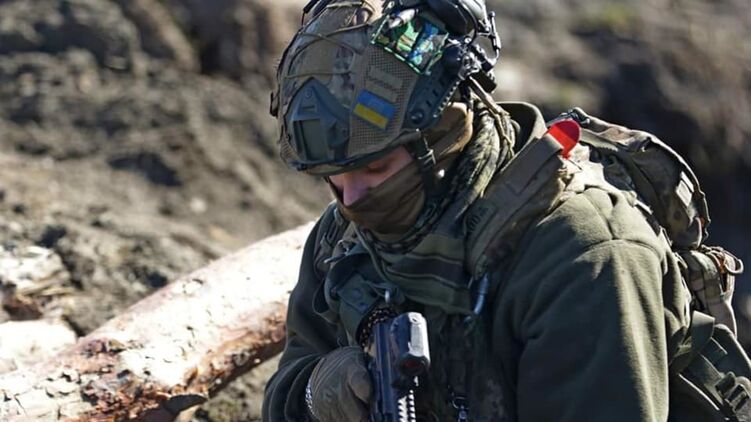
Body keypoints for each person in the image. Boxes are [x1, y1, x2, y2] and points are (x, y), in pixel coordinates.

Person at [262, 0, 694, 421]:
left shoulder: (583, 256)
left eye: (376, 168)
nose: (352, 199)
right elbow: (286, 388)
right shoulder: (342, 239)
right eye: (334, 176)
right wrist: (315, 393)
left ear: (444, 131)